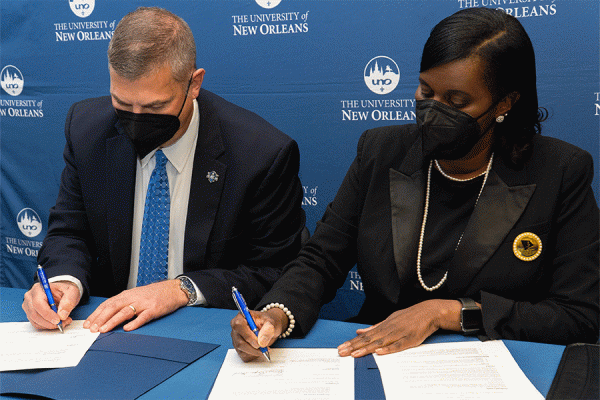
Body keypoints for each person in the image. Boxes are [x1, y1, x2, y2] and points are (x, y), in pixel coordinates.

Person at [231, 7, 599, 361]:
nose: (433, 110)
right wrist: (277, 312)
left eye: (457, 101)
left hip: (494, 366)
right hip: (378, 358)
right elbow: (321, 259)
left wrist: (446, 313)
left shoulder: (560, 171)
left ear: (504, 102)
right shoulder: (380, 150)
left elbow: (579, 315)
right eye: (426, 92)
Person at [22, 7, 306, 334]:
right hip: (104, 331)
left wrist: (179, 289)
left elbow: (275, 271)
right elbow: (70, 231)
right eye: (123, 104)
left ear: (194, 83)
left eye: (156, 106)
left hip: (205, 330)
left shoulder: (260, 153)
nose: (137, 118)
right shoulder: (88, 130)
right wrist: (61, 281)